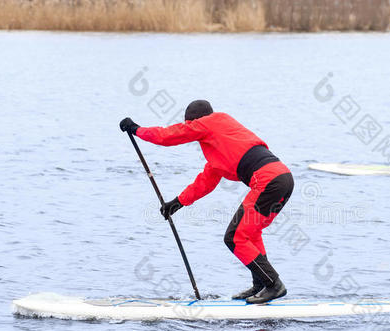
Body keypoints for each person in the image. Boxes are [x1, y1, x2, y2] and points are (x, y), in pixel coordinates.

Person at [119, 100, 294, 304]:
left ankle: (273, 285)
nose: (193, 134)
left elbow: (167, 136)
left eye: (190, 127)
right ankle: (262, 284)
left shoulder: (211, 121)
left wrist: (136, 129)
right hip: (283, 179)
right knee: (250, 232)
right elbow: (204, 183)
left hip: (267, 181)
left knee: (234, 237)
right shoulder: (220, 143)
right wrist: (175, 204)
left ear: (194, 122)